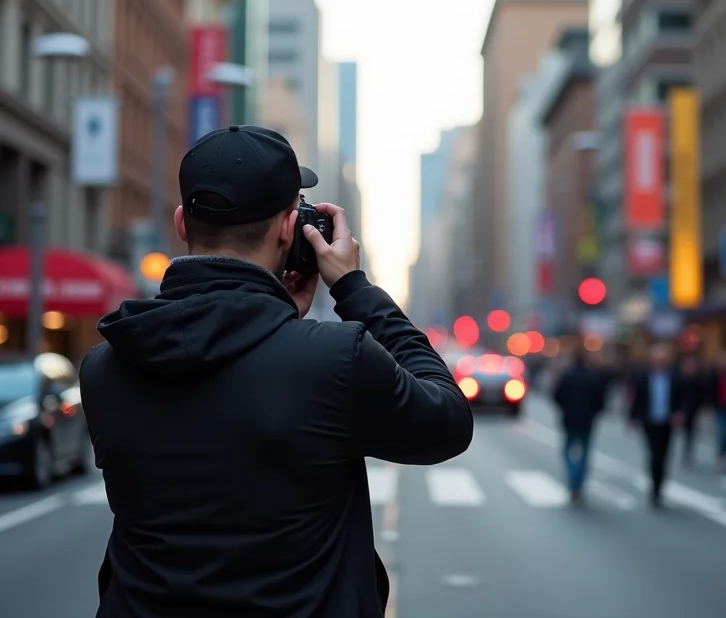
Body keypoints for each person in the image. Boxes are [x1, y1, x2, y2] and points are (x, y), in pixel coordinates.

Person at [79, 126, 474, 618]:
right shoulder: (335, 359)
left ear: (182, 223)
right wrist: (354, 288)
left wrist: (273, 313)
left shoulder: (105, 366)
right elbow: (448, 421)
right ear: (290, 230)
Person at [629, 343, 684, 507]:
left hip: (667, 422)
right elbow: (637, 400)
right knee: (655, 455)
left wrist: (679, 413)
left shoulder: (674, 378)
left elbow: (682, 397)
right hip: (650, 421)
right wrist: (633, 419)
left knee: (664, 456)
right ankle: (654, 487)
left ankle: (659, 487)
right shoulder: (643, 378)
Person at [553, 349, 605, 503]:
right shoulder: (592, 377)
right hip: (587, 421)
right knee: (584, 454)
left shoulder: (567, 376)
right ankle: (577, 482)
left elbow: (557, 396)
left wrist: (566, 409)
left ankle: (573, 480)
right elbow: (600, 400)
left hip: (570, 420)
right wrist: (592, 412)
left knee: (568, 452)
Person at [678, 354, 704, 466]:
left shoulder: (697, 380)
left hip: (692, 411)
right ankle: (686, 452)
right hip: (681, 410)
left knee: (689, 433)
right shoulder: (679, 379)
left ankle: (688, 452)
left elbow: (700, 396)